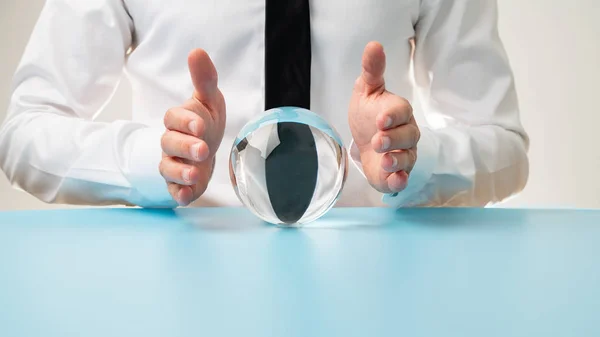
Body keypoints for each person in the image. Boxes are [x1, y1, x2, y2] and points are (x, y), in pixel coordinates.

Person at [0, 0, 528, 209]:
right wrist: (156, 162)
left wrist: (409, 159)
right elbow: (25, 131)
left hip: (375, 300)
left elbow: (504, 144)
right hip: (175, 301)